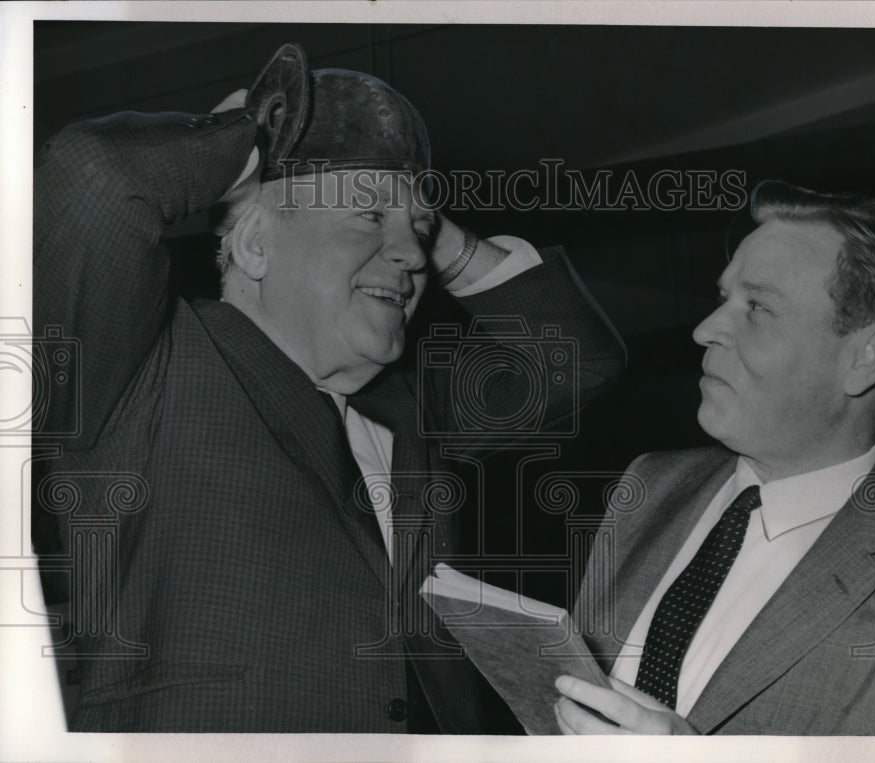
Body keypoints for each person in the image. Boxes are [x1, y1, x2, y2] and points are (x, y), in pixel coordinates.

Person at [32, 52, 625, 732]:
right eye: (366, 218)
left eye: (419, 238)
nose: (409, 257)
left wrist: (425, 223)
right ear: (255, 244)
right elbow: (90, 179)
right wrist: (250, 139)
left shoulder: (408, 410)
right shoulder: (146, 366)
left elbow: (580, 359)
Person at [556, 181, 875, 735]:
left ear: (865, 358)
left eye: (757, 306)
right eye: (723, 297)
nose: (705, 330)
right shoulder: (650, 482)